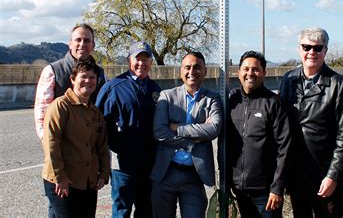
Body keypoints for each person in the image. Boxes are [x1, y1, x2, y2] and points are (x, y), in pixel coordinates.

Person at [279, 28, 343, 218]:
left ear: (325, 51)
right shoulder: (288, 80)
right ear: (299, 50)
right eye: (307, 47)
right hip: (297, 175)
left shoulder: (338, 85)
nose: (312, 52)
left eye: (317, 48)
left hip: (325, 176)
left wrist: (333, 176)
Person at [150, 51, 223, 218]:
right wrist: (191, 142)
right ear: (180, 71)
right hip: (165, 174)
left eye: (197, 67)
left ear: (205, 71)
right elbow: (160, 133)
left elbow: (214, 128)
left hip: (194, 176)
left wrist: (178, 128)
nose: (192, 72)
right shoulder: (167, 96)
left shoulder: (212, 99)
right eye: (187, 67)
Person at [96, 41, 162, 217]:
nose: (141, 63)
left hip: (149, 163)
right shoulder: (113, 87)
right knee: (122, 209)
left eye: (146, 59)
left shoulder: (156, 90)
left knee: (147, 208)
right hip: (123, 165)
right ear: (128, 60)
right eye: (137, 59)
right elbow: (98, 124)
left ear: (151, 62)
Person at [42, 58, 110, 217]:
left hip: (88, 182)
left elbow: (101, 146)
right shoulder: (61, 106)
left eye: (92, 77)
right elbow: (51, 144)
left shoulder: (95, 112)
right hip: (64, 182)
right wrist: (60, 177)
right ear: (73, 79)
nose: (88, 81)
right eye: (83, 77)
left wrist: (104, 173)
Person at [228, 50, 291, 217]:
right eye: (246, 69)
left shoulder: (274, 104)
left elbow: (284, 149)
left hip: (266, 192)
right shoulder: (231, 100)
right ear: (238, 72)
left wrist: (277, 188)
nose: (250, 73)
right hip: (239, 190)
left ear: (264, 72)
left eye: (255, 69)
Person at [34, 23, 106, 140]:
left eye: (87, 40)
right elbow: (42, 113)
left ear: (93, 45)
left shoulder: (101, 73)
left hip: (92, 143)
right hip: (63, 143)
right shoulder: (52, 71)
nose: (82, 44)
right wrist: (48, 142)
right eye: (78, 40)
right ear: (70, 44)